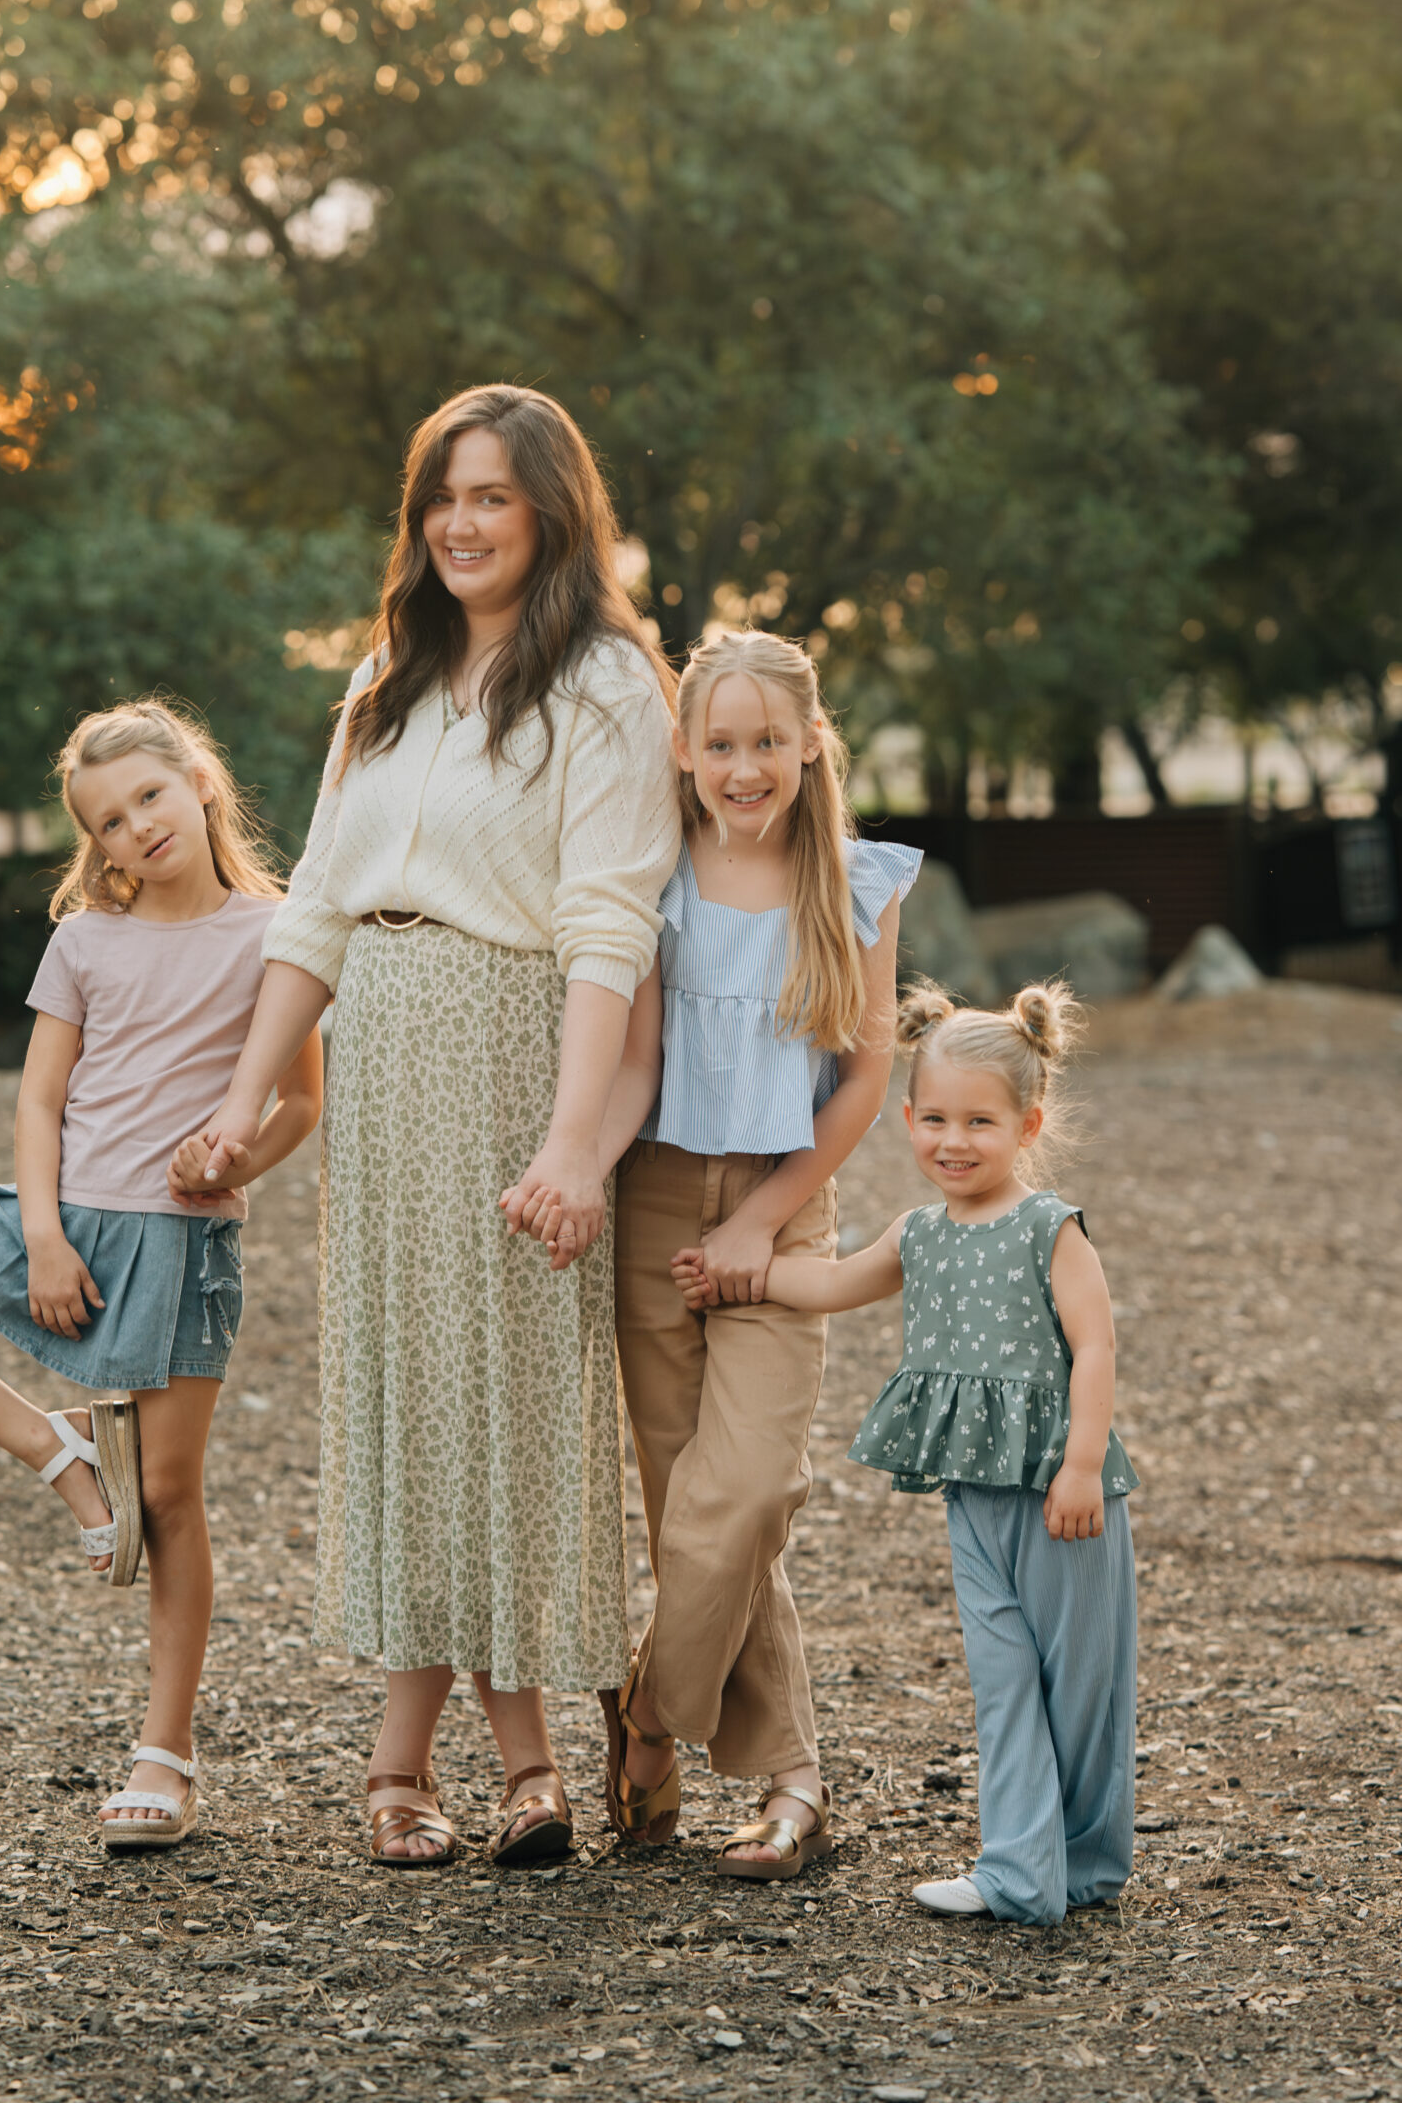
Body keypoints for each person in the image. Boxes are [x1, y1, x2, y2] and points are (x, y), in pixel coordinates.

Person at [173, 385, 681, 1868]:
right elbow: (315, 907)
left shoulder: (599, 684)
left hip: (515, 1043)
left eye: (492, 499)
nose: (461, 524)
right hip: (383, 1055)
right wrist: (237, 1100)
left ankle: (487, 1759)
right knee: (405, 1395)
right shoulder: (385, 675)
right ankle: (415, 1758)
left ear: (550, 515)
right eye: (441, 499)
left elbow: (606, 928)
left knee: (511, 1405)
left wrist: (572, 1141)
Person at [0, 701, 322, 1851]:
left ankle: (164, 1754)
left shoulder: (275, 934)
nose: (134, 828)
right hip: (61, 1221)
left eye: (148, 797)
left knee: (169, 1502)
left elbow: (301, 1103)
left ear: (199, 780)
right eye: (106, 821)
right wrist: (40, 1235)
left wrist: (241, 1152)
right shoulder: (85, 940)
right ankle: (58, 1448)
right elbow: (40, 1098)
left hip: (177, 1245)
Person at [675, 978, 1138, 1925]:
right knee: (1003, 1678)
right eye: (933, 1119)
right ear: (904, 1117)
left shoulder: (1049, 1229)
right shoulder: (919, 1232)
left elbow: (1095, 1346)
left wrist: (1082, 1464)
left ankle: (1085, 1864)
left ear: (1027, 1123)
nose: (952, 1141)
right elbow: (839, 1281)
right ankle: (1017, 1871)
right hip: (972, 1495)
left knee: (1081, 1689)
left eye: (977, 1121)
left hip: (1062, 1494)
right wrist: (742, 1274)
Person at [578, 628, 921, 1875]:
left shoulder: (852, 880)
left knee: (745, 1501)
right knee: (689, 1511)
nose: (742, 766)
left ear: (808, 743)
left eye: (766, 741)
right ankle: (793, 1781)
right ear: (681, 746)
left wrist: (760, 1221)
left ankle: (650, 1721)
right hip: (654, 1202)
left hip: (782, 1210)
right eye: (718, 742)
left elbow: (866, 1075)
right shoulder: (652, 874)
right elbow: (632, 1056)